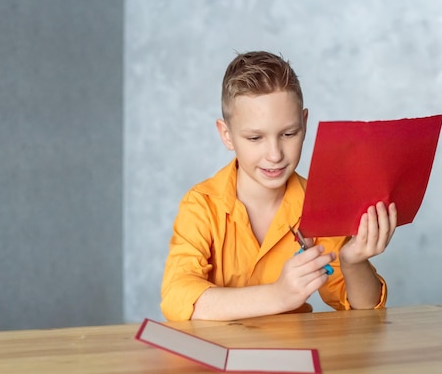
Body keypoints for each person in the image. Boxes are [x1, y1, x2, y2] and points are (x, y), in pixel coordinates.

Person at [160, 50, 397, 321]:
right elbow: (177, 296)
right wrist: (279, 295)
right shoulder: (201, 205)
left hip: (292, 355)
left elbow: (363, 310)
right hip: (219, 357)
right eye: (255, 138)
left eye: (288, 134)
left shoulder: (318, 205)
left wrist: (353, 262)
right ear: (227, 135)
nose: (274, 154)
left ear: (304, 125)